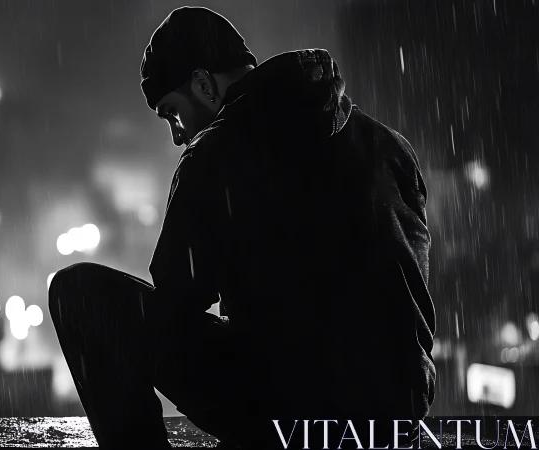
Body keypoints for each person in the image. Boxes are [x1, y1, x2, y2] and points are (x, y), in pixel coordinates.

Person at [49, 6, 435, 449]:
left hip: (290, 418)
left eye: (172, 113)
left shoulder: (215, 153)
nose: (177, 134)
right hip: (395, 417)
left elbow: (174, 306)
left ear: (203, 84)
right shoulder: (389, 145)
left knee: (78, 293)